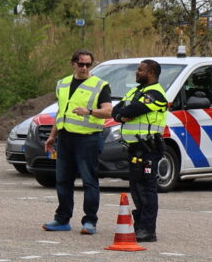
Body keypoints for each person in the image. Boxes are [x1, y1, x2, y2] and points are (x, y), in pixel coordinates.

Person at [90, 58, 169, 242]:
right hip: (135, 148)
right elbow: (117, 110)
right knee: (136, 188)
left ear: (150, 73)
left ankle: (148, 230)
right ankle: (139, 225)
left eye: (140, 70)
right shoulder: (136, 91)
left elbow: (134, 109)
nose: (137, 72)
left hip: (149, 147)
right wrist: (122, 114)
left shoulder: (155, 93)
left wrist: (126, 113)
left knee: (147, 189)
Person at [44, 49, 112, 234]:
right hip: (66, 138)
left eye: (88, 64)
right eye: (81, 64)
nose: (84, 68)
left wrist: (89, 112)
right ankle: (62, 219)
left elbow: (108, 111)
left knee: (89, 181)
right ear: (73, 63)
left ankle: (90, 221)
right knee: (63, 180)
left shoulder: (100, 85)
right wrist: (53, 135)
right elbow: (61, 112)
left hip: (88, 138)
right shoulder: (63, 83)